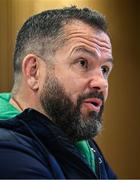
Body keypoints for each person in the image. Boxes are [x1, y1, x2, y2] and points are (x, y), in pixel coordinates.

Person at [0, 6, 117, 179]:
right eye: (83, 63)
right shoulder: (7, 148)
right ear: (34, 71)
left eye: (105, 69)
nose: (101, 82)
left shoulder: (82, 145)